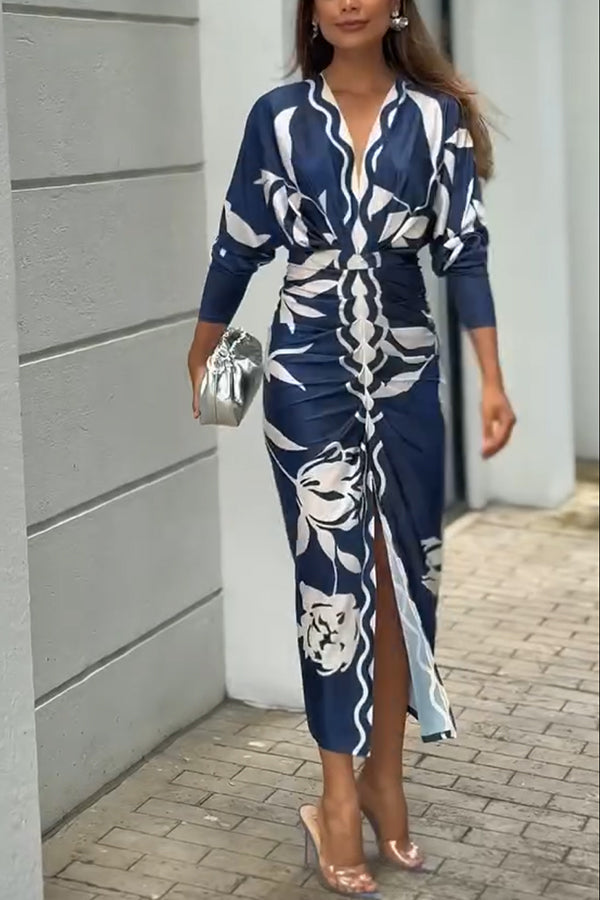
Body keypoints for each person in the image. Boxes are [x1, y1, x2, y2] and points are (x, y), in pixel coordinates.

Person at [187, 0, 516, 896]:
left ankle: (385, 777)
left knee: (405, 578)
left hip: (407, 380)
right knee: (331, 581)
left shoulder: (437, 119)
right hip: (304, 375)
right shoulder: (277, 117)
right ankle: (336, 796)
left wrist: (491, 379)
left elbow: (466, 253)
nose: (346, 1)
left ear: (398, 6)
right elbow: (238, 244)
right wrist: (204, 348)